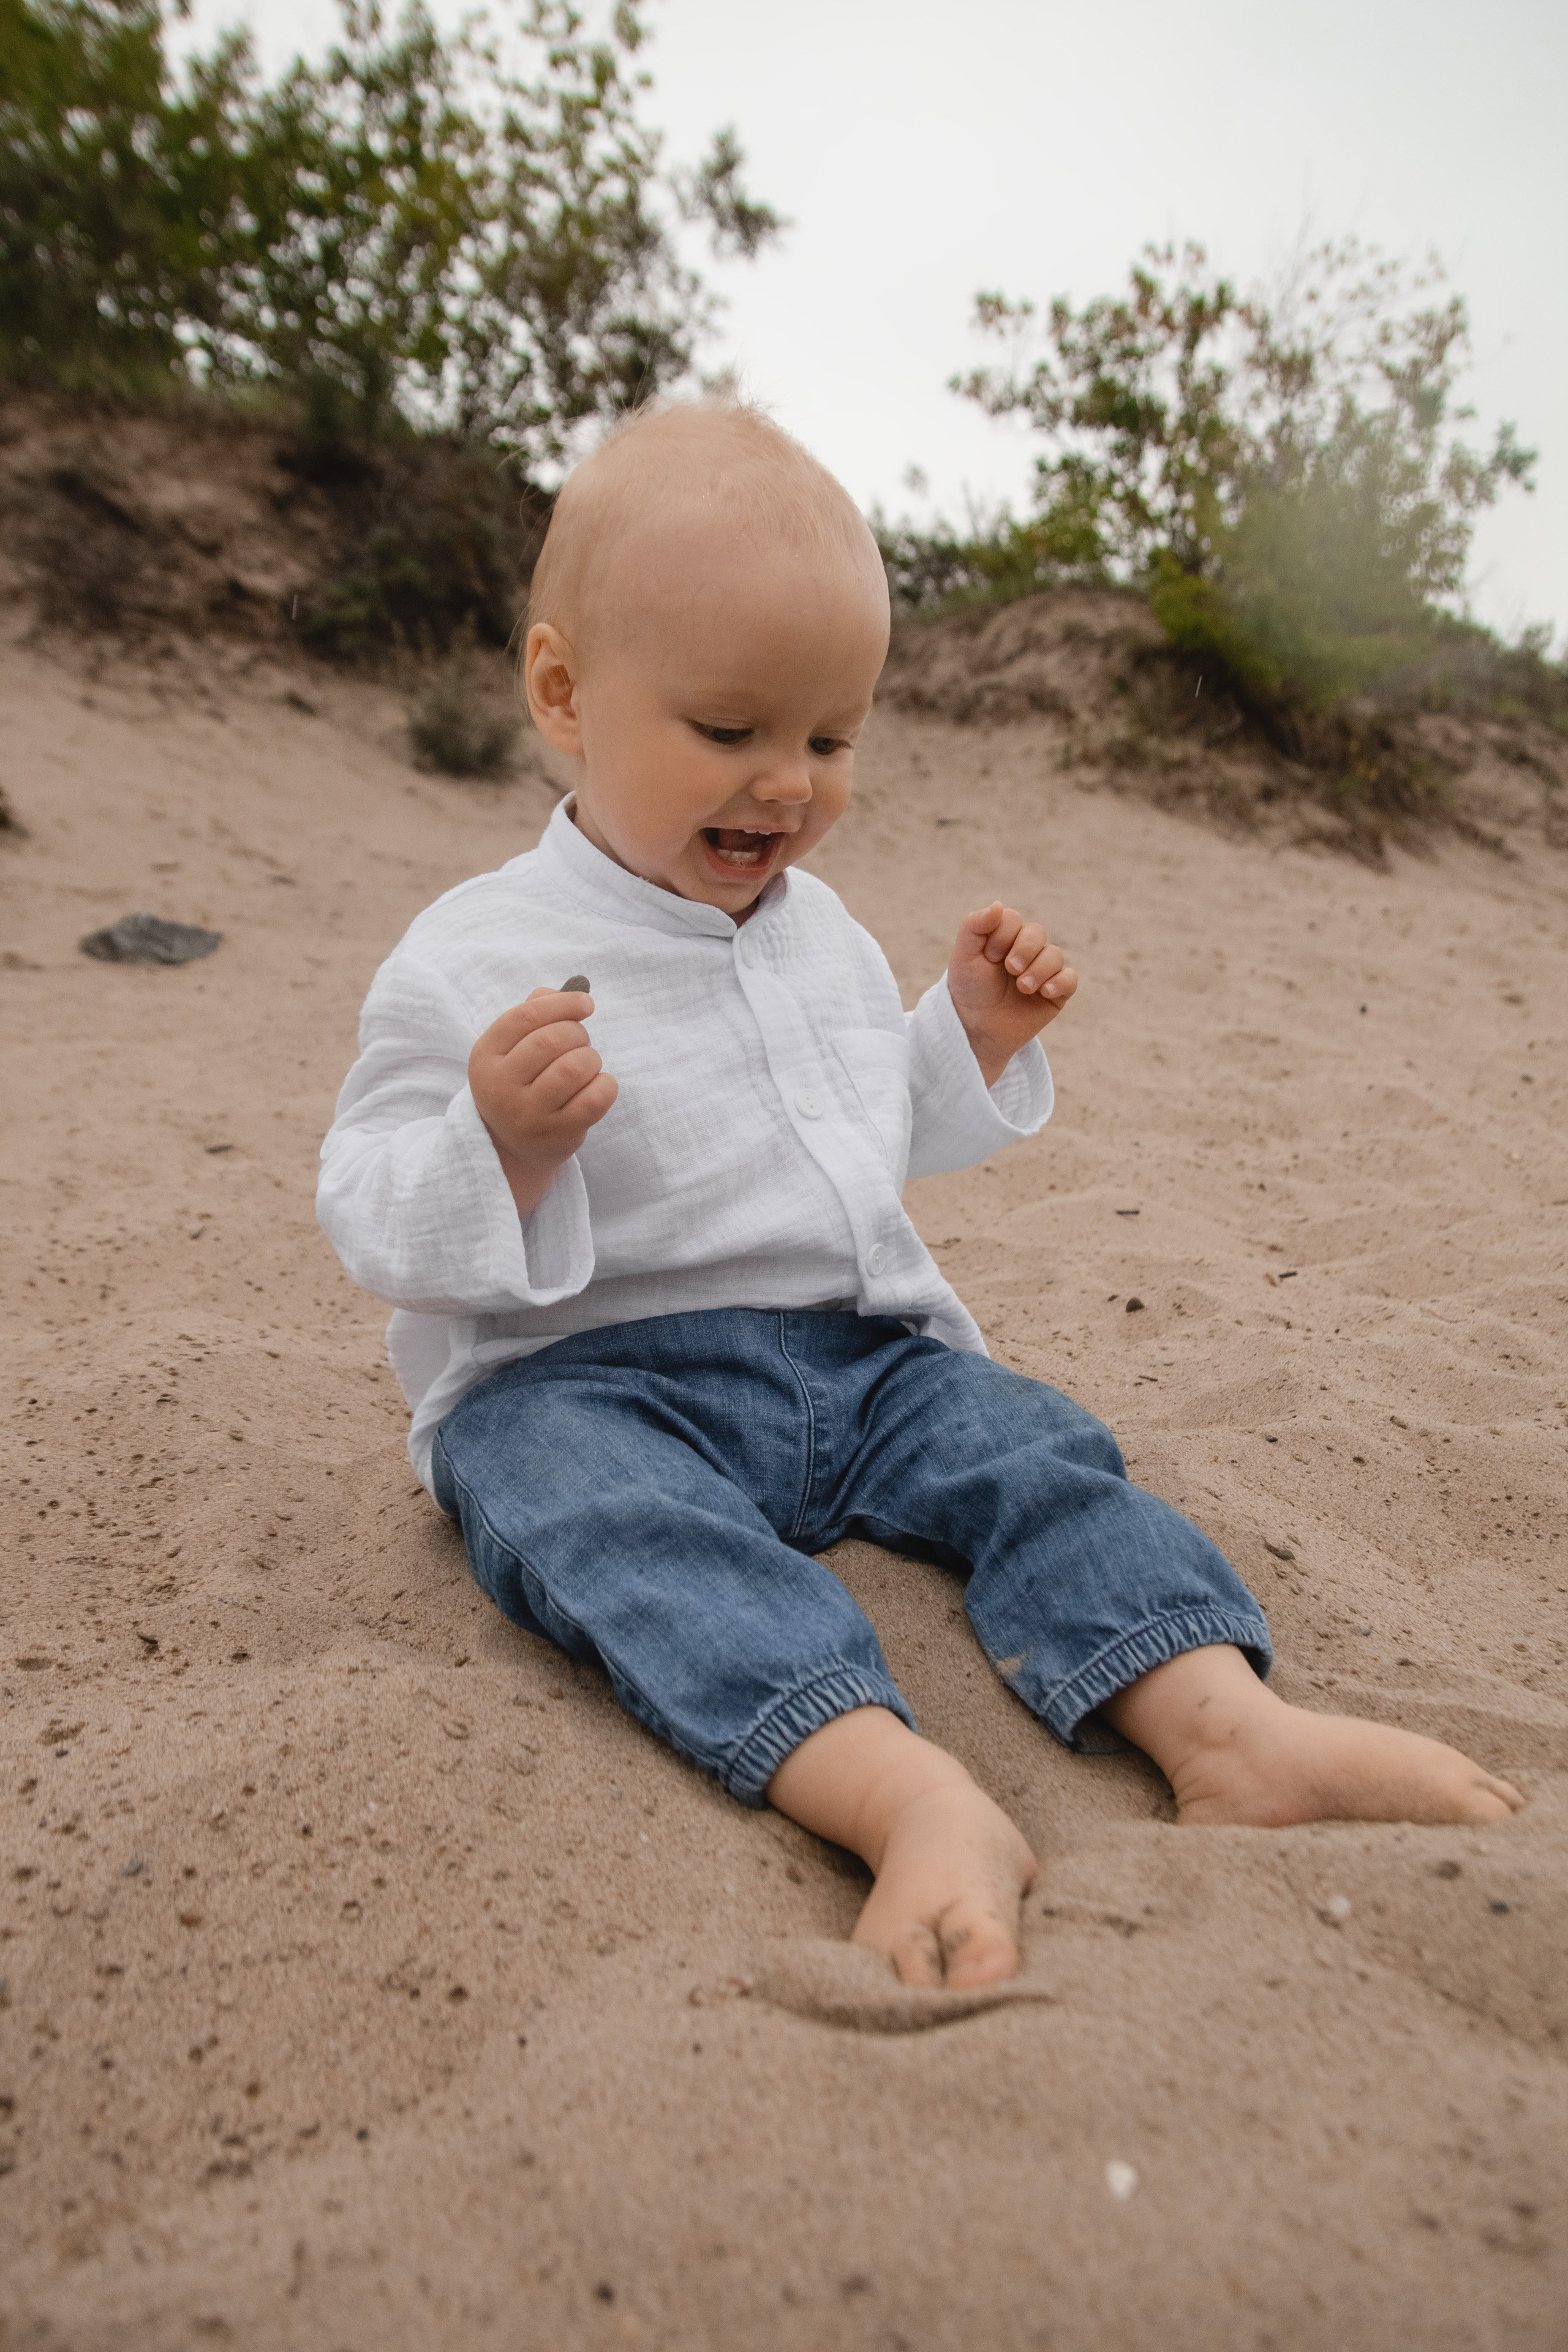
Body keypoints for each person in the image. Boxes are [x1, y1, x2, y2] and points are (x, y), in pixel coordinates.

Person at [318, 401, 1522, 1989]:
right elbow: (367, 1202)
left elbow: (851, 1135)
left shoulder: (813, 931)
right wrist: (499, 1144)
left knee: (1036, 1452)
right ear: (563, 694)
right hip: (583, 1378)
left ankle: (1226, 1727)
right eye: (732, 730)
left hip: (851, 1353)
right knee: (595, 1525)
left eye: (830, 740)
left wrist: (961, 1039)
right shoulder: (471, 950)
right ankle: (907, 1796)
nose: (788, 788)